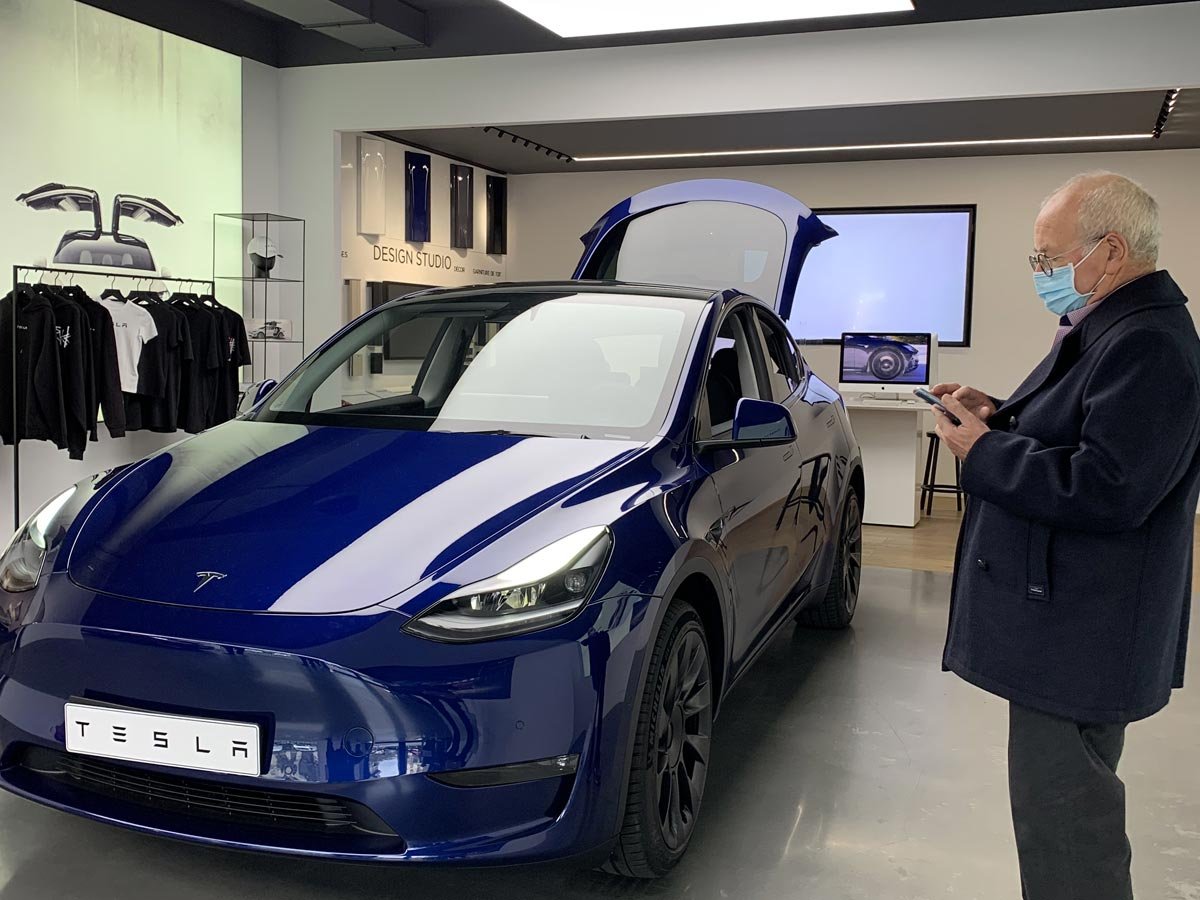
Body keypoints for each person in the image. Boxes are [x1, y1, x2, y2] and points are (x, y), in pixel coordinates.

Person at [931, 171, 1200, 900]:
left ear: (1110, 252)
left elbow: (1109, 488)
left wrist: (983, 451)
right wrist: (1003, 415)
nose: (1042, 273)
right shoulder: (1114, 327)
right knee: (1058, 816)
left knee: (1068, 830)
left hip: (1084, 634)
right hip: (1073, 626)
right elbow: (1081, 431)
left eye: (1049, 257)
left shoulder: (1149, 344)